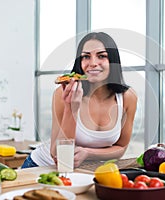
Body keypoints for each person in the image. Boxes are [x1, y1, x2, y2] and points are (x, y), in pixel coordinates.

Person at [21, 32, 137, 168]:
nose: (93, 63)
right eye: (86, 56)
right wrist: (71, 108)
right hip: (43, 166)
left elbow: (121, 147)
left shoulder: (127, 97)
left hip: (84, 170)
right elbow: (57, 153)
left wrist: (88, 153)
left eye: (101, 56)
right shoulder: (63, 92)